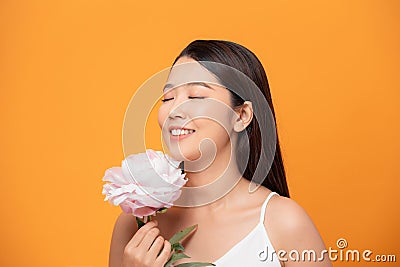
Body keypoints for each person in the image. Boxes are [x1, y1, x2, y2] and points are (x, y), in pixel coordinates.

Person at [108, 40, 332, 267]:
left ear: (242, 115)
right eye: (167, 98)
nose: (173, 110)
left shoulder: (283, 223)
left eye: (195, 96)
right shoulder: (135, 225)